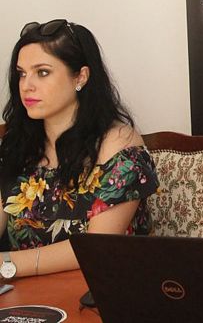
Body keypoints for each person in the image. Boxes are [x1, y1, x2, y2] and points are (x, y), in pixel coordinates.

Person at [0, 20, 158, 279]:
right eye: (22, 73)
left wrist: (6, 264)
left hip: (104, 292)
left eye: (42, 72)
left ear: (80, 77)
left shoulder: (119, 145)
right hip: (24, 295)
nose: (26, 85)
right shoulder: (18, 145)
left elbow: (95, 248)